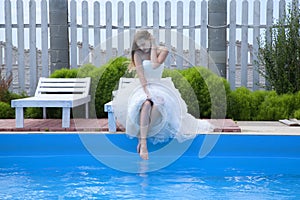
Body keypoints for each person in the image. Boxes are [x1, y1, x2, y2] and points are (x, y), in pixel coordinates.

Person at [112, 30, 214, 160]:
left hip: (160, 87)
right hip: (144, 87)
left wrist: (154, 47)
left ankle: (141, 136)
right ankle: (143, 144)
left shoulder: (163, 50)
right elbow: (142, 76)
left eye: (144, 44)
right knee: (146, 104)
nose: (142, 48)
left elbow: (155, 65)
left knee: (158, 105)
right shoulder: (137, 54)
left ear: (150, 39)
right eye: (139, 45)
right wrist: (147, 93)